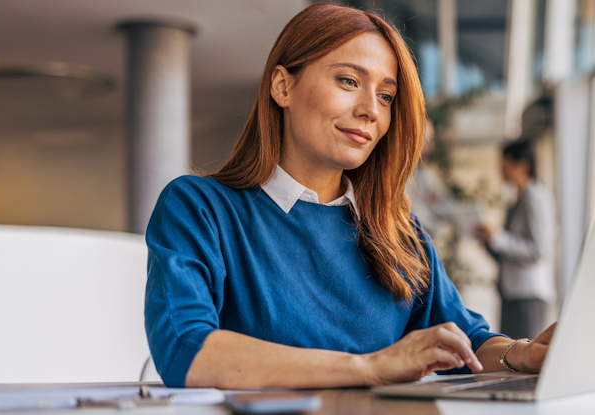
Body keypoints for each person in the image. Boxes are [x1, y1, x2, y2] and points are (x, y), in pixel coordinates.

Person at [145, 4, 555, 389]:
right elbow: (186, 348)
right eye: (349, 81)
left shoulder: (399, 233)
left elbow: (469, 340)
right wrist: (369, 368)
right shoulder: (199, 209)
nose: (370, 111)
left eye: (385, 96)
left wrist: (521, 355)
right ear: (282, 86)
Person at [475, 140, 556, 340]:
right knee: (511, 354)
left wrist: (498, 237)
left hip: (528, 295)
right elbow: (507, 253)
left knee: (526, 359)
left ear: (522, 165)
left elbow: (539, 250)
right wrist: (488, 241)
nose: (500, 169)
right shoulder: (517, 199)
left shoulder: (536, 198)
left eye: (505, 163)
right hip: (512, 292)